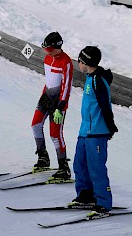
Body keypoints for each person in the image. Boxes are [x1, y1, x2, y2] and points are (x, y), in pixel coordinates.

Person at [70, 46, 118, 215]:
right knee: (79, 164)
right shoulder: (90, 77)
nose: (78, 64)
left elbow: (105, 105)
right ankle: (85, 195)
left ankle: (103, 202)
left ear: (86, 62)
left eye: (80, 61)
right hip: (85, 131)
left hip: (97, 132)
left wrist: (110, 127)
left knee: (96, 168)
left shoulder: (98, 80)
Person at [31, 32, 73, 179]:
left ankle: (64, 167)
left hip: (58, 103)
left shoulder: (66, 62)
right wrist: (43, 97)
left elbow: (67, 86)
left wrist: (61, 107)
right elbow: (48, 81)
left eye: (49, 49)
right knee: (35, 125)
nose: (47, 52)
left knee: (55, 135)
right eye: (45, 49)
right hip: (46, 97)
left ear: (57, 47)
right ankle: (43, 157)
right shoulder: (48, 58)